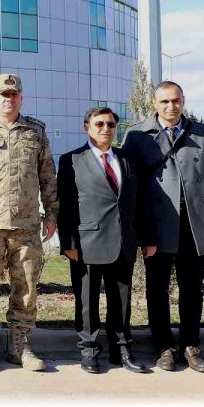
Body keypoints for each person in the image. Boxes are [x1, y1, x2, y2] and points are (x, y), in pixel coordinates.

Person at [121, 80, 204, 373]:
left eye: (175, 101)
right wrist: (138, 229)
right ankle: (163, 346)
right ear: (154, 103)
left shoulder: (201, 134)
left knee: (192, 289)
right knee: (157, 289)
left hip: (193, 225)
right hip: (157, 227)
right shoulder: (137, 135)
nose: (170, 107)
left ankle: (190, 345)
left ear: (183, 101)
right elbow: (131, 186)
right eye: (164, 102)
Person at [0, 73, 57, 372]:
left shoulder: (35, 131)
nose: (9, 98)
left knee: (27, 286)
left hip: (27, 224)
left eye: (14, 94)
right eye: (3, 94)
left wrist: (52, 214)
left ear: (21, 98)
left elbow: (47, 176)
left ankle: (20, 344)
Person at [57, 107, 156, 374]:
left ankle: (121, 351)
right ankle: (89, 351)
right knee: (86, 301)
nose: (106, 129)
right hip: (87, 242)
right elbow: (65, 206)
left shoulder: (128, 160)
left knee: (121, 301)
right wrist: (68, 243)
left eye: (111, 125)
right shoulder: (71, 160)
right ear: (86, 127)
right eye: (99, 124)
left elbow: (140, 202)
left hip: (123, 241)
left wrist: (147, 238)